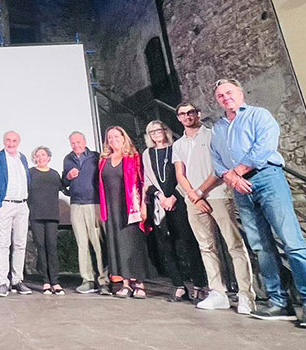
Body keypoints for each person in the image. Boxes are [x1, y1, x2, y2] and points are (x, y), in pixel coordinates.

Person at [211, 78, 306, 329]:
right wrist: (231, 177)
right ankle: (279, 302)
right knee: (260, 246)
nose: (225, 98)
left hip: (267, 179)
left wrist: (237, 172)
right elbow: (217, 161)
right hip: (240, 188)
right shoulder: (219, 128)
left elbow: (263, 148)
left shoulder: (259, 116)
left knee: (292, 241)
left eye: (229, 92)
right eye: (220, 96)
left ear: (240, 93)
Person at [172, 103, 255, 314]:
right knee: (206, 247)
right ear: (178, 118)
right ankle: (218, 292)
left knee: (234, 245)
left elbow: (221, 168)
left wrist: (200, 191)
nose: (187, 116)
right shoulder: (178, 144)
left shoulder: (213, 135)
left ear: (197, 114)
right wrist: (193, 195)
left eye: (190, 112)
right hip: (194, 200)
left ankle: (246, 295)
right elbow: (180, 174)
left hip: (217, 194)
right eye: (182, 114)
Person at [142, 121, 207, 303]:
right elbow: (148, 181)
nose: (156, 134)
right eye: (152, 131)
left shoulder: (176, 148)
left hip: (179, 201)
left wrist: (173, 196)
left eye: (159, 130)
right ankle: (178, 286)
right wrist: (161, 197)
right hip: (160, 206)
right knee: (166, 247)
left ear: (166, 130)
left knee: (188, 243)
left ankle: (199, 286)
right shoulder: (147, 154)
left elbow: (183, 174)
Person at [99, 126, 151, 299]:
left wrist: (144, 205)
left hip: (130, 207)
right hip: (111, 209)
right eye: (110, 137)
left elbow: (143, 183)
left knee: (133, 244)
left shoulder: (133, 157)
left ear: (123, 137)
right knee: (118, 245)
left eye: (116, 136)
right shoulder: (104, 160)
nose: (113, 140)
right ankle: (126, 283)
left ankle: (140, 283)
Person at [62, 131, 108, 295]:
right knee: (82, 244)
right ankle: (87, 280)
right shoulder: (68, 159)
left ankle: (104, 280)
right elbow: (63, 183)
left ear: (85, 141)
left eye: (78, 142)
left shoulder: (95, 157)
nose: (76, 145)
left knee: (98, 243)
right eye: (73, 143)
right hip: (76, 205)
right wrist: (68, 176)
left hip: (93, 203)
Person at [0, 130, 32, 297]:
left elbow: (27, 180)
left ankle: (17, 280)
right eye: (8, 140)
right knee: (3, 245)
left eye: (14, 140)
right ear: (3, 141)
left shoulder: (23, 158)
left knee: (20, 245)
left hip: (22, 206)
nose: (11, 143)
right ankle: (3, 282)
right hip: (4, 206)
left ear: (18, 142)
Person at [28, 146, 65, 295]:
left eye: (43, 155)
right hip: (36, 215)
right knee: (41, 247)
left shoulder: (54, 174)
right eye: (38, 156)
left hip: (52, 215)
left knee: (52, 247)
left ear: (48, 157)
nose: (41, 158)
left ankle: (55, 281)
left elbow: (64, 188)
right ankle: (45, 281)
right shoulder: (30, 173)